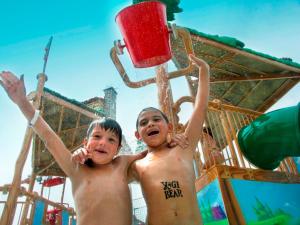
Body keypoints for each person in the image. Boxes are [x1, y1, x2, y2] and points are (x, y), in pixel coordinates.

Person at [0, 71, 188, 225]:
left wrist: (171, 140)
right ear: (85, 143)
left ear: (118, 149)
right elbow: (49, 137)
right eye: (97, 137)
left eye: (111, 140)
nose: (103, 143)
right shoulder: (76, 168)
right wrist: (23, 103)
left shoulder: (122, 164)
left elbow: (154, 151)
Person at [129, 54, 210, 225]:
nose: (150, 124)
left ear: (169, 127)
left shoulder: (183, 146)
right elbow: (108, 171)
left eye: (156, 119)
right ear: (138, 135)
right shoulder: (137, 165)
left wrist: (204, 70)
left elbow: (200, 108)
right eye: (144, 123)